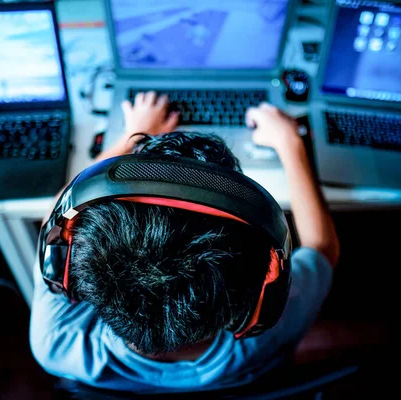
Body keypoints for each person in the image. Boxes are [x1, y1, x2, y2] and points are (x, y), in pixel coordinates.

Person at [29, 91, 340, 393]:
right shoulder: (275, 327)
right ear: (261, 298)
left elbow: (53, 219)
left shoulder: (56, 345)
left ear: (68, 269)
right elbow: (322, 248)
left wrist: (132, 136)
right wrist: (291, 144)